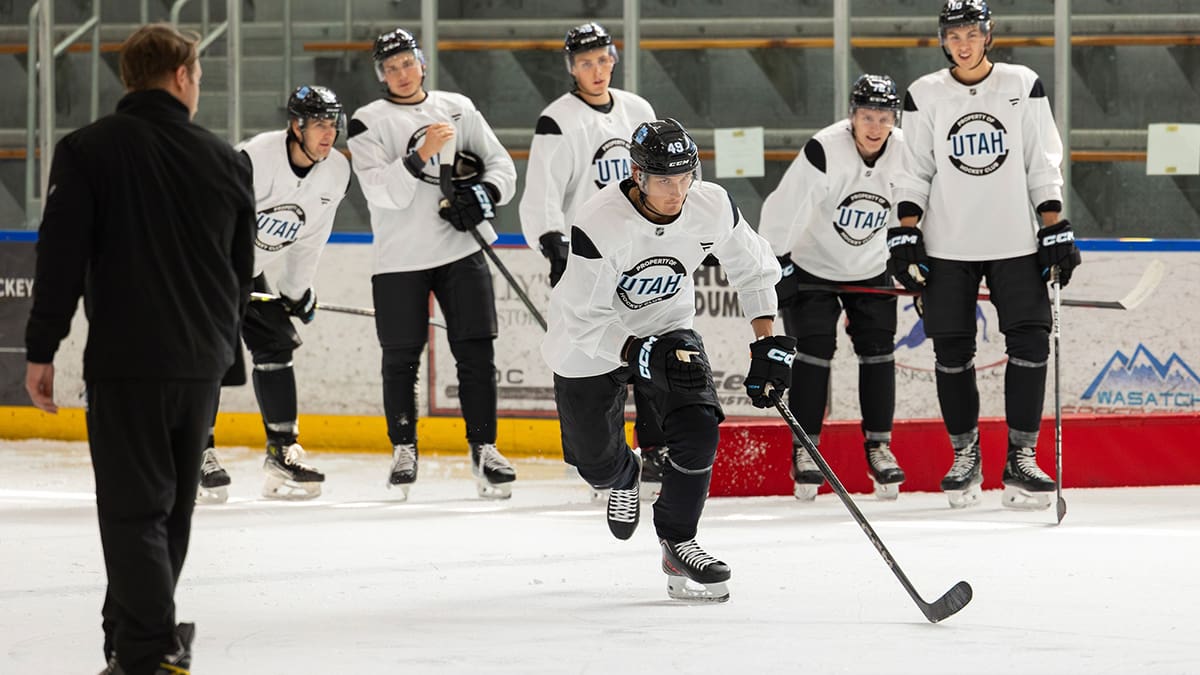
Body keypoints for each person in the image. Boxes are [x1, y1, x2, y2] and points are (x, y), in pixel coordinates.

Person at [23, 23, 254, 675]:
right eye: (200, 77)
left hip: (128, 361)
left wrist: (41, 348)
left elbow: (60, 257)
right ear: (181, 76)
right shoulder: (226, 159)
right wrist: (219, 351)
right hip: (200, 364)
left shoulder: (87, 150)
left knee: (133, 511)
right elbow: (239, 273)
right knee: (169, 512)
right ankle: (133, 643)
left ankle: (150, 650)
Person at [543, 118, 795, 602]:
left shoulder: (711, 204)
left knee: (700, 428)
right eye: (664, 181)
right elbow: (583, 318)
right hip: (588, 345)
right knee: (595, 465)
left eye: (686, 177)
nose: (677, 192)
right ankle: (624, 475)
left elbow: (754, 267)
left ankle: (678, 540)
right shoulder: (599, 222)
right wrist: (638, 353)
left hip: (666, 325)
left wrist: (766, 341)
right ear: (638, 176)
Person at [891, 0, 1081, 509]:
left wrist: (1054, 226)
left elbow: (1040, 159)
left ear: (988, 34)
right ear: (943, 40)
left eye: (971, 33)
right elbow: (915, 169)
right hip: (948, 244)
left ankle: (1021, 457)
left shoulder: (1021, 82)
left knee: (1031, 343)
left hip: (1014, 240)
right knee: (951, 352)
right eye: (953, 36)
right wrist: (905, 232)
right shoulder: (924, 93)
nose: (962, 43)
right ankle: (965, 455)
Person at [347, 27, 520, 500]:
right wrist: (420, 154)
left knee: (476, 354)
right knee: (400, 358)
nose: (401, 74)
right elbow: (380, 191)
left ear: (422, 63)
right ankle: (404, 447)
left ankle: (484, 447)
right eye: (390, 67)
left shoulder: (457, 106)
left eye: (408, 63)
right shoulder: (368, 121)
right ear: (381, 75)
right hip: (399, 257)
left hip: (461, 250)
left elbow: (502, 167)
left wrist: (483, 193)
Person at [518, 22, 669, 499]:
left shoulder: (638, 110)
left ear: (614, 59)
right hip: (585, 255)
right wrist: (552, 244)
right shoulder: (557, 120)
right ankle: (587, 454)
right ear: (571, 67)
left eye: (603, 59)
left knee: (646, 345)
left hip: (637, 250)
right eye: (586, 62)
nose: (597, 69)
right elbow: (541, 192)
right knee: (584, 353)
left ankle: (656, 448)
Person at [196, 85, 352, 503]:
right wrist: (221, 279)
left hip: (249, 270)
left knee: (275, 341)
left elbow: (310, 237)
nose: (327, 134)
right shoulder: (254, 160)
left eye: (332, 124)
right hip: (205, 266)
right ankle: (197, 451)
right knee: (212, 353)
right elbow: (209, 219)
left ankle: (282, 452)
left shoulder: (335, 171)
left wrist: (296, 291)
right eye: (318, 124)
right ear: (295, 126)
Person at [759, 74, 908, 502]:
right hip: (814, 266)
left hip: (871, 265)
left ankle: (879, 446)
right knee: (814, 350)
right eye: (866, 116)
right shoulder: (825, 150)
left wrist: (918, 256)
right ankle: (806, 450)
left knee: (878, 351)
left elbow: (918, 203)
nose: (875, 126)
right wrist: (777, 263)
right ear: (851, 116)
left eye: (883, 117)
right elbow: (783, 207)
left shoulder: (906, 150)